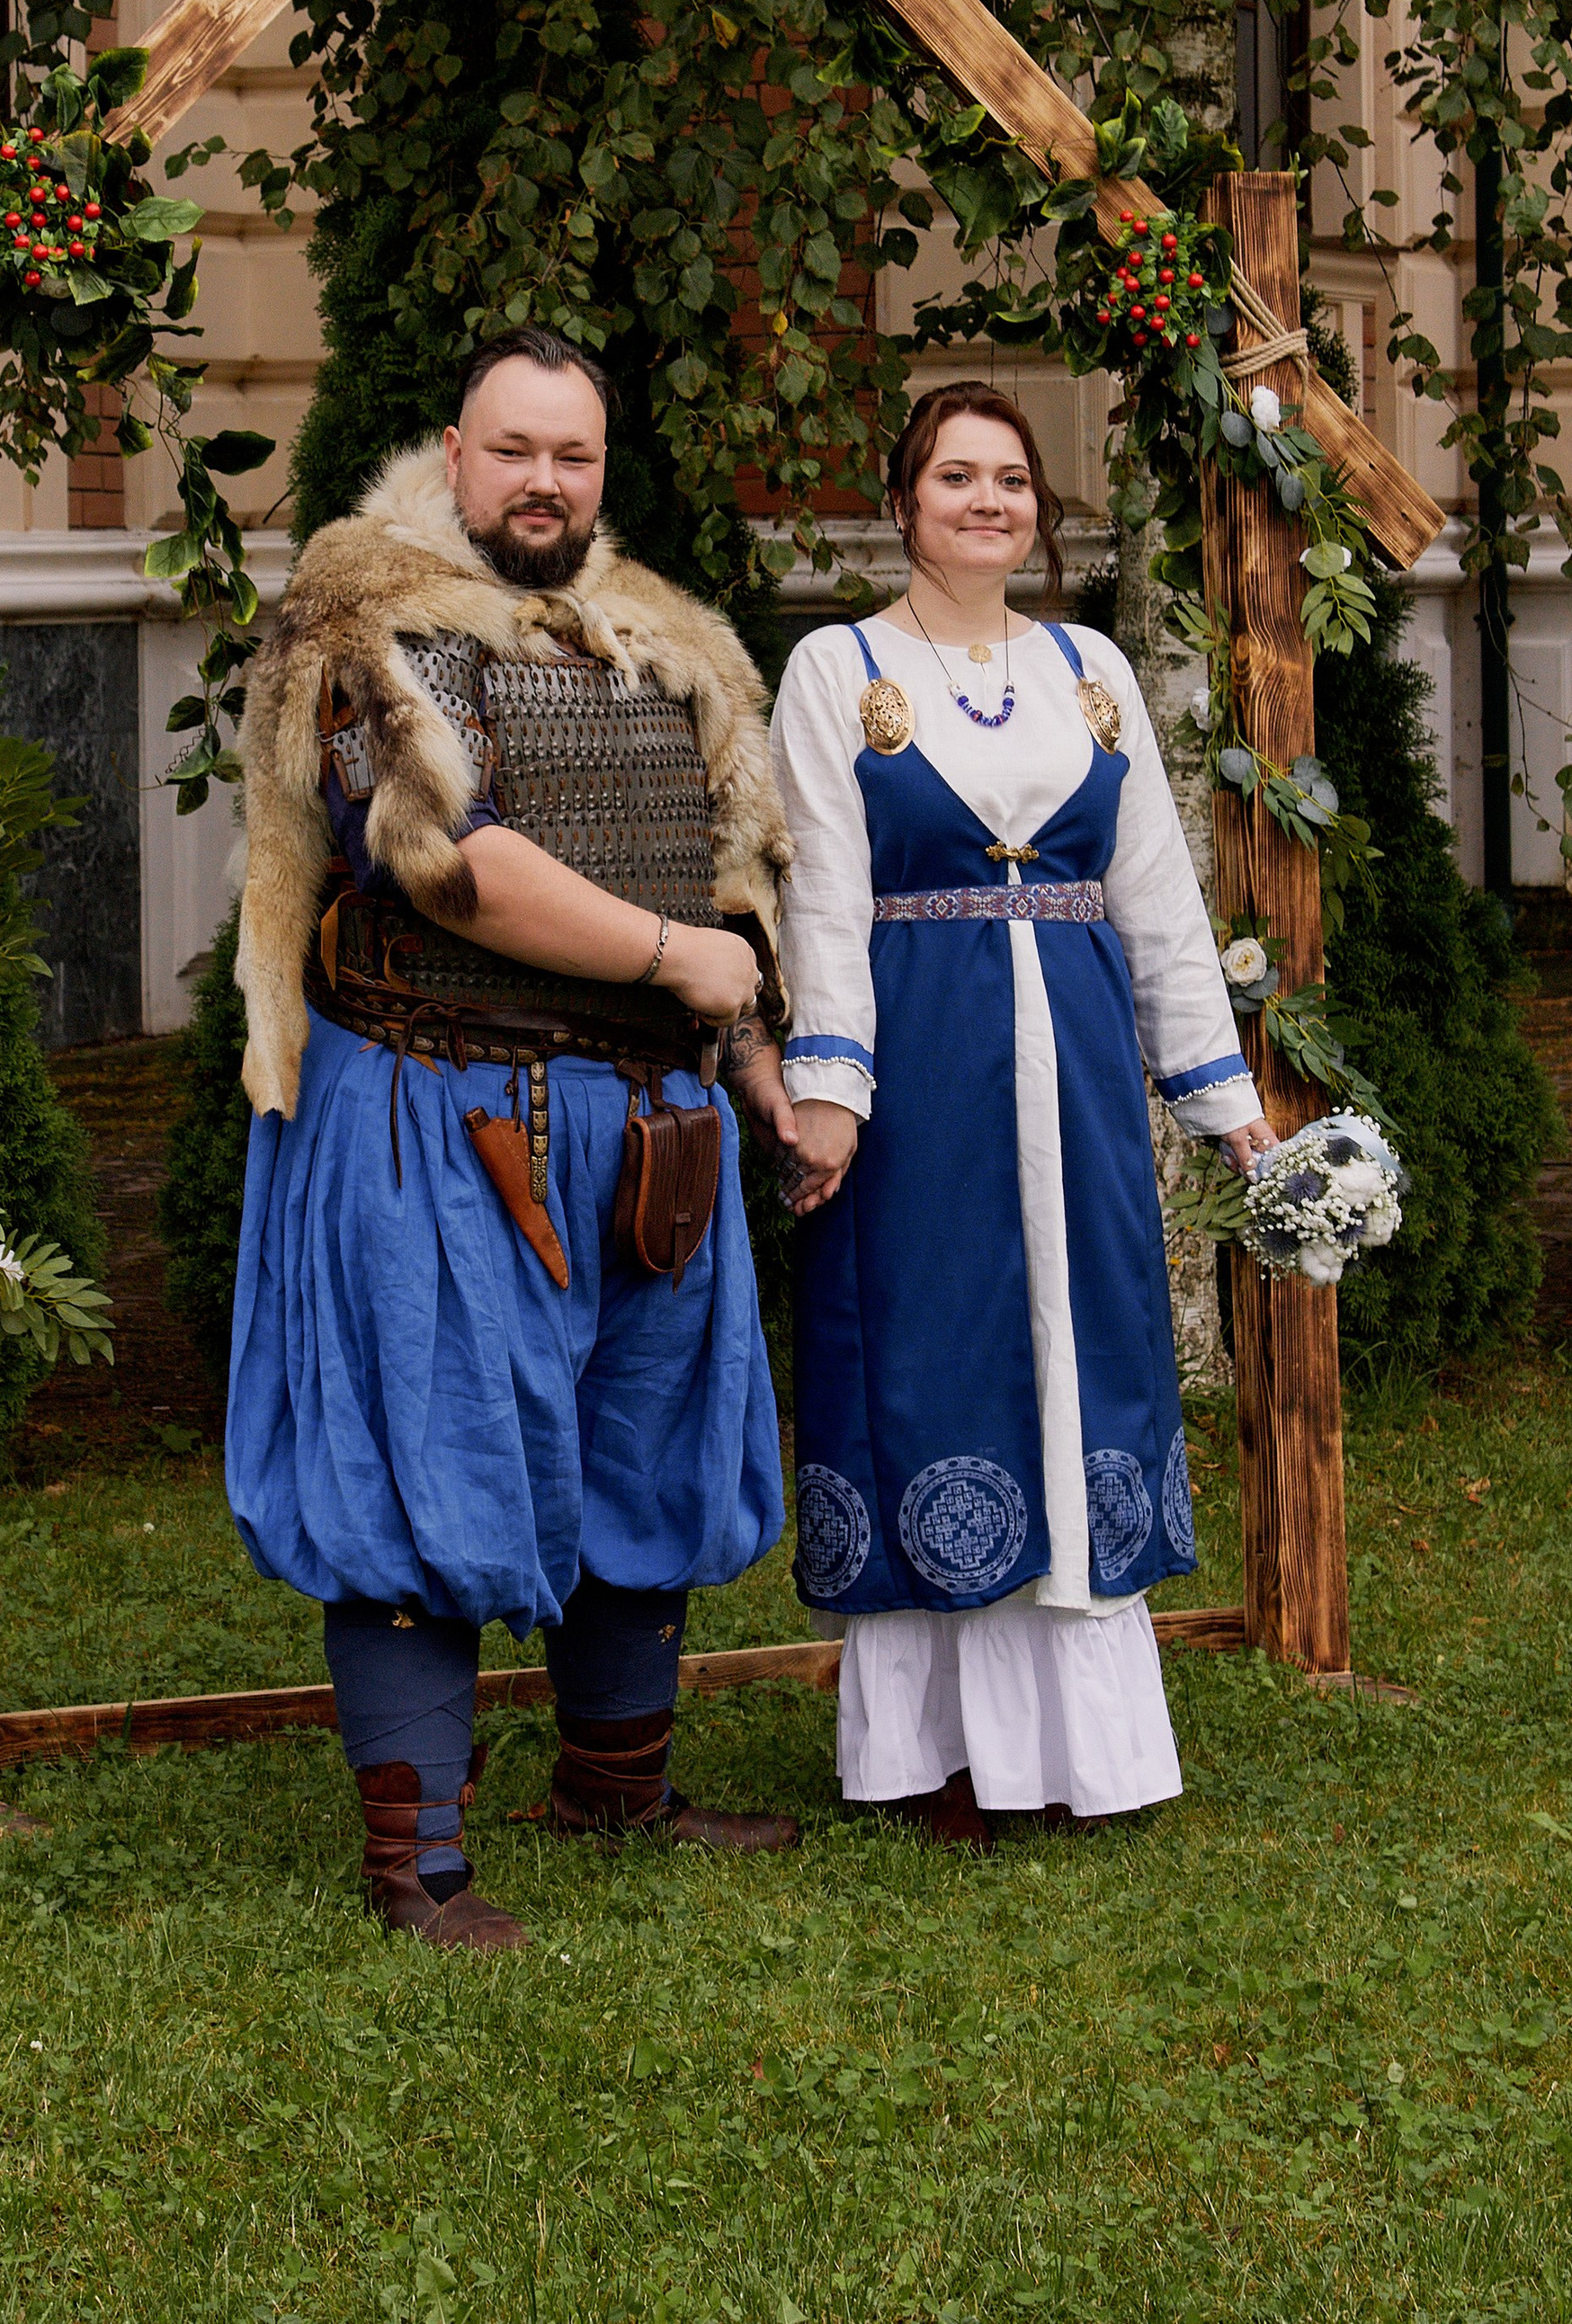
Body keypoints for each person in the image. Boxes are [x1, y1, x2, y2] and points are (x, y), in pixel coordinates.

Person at [228, 325, 805, 1950]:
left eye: (574, 456)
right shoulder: (362, 627)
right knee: (427, 1469)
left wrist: (756, 1068)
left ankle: (620, 1790)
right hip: (435, 1111)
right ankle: (420, 1865)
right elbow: (455, 864)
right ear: (454, 450)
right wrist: (666, 958)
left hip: (653, 1123)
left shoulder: (660, 642)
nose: (543, 482)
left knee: (646, 1449)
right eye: (514, 449)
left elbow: (732, 880)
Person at [764, 381, 1277, 1847]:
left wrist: (1223, 1100)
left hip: (1083, 1078)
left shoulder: (1093, 669)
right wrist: (831, 1093)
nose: (987, 503)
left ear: (1038, 511)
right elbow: (824, 903)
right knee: (935, 1353)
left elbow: (1160, 901)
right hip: (921, 1071)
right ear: (904, 498)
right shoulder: (836, 668)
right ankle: (933, 1758)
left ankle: (1085, 1754)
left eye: (1011, 482)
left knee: (1082, 1348)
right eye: (954, 478)